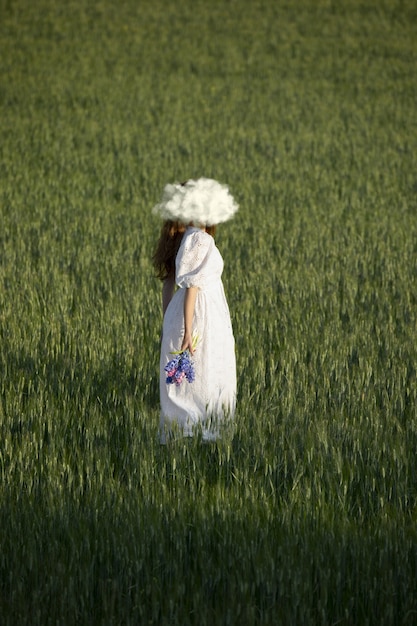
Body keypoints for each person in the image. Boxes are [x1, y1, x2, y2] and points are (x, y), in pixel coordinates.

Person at [152, 177, 238, 443]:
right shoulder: (200, 240)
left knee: (183, 378)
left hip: (184, 313)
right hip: (202, 315)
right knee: (206, 369)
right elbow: (192, 288)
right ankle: (203, 431)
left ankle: (182, 430)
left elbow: (169, 284)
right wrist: (188, 330)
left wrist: (170, 321)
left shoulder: (182, 239)